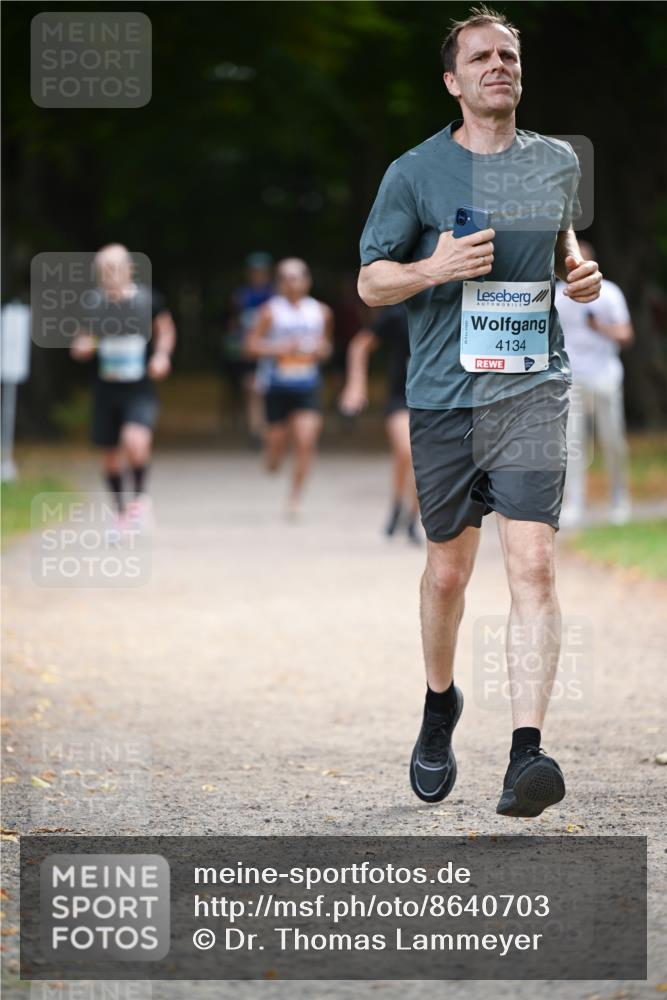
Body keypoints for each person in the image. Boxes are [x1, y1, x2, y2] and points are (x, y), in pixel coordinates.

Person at [357, 7, 602, 817]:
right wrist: (432, 268)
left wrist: (577, 268)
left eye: (509, 55)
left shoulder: (556, 161)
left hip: (531, 389)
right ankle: (438, 706)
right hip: (442, 398)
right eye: (481, 57)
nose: (498, 65)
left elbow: (562, 236)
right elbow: (369, 282)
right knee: (447, 572)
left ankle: (526, 754)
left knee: (531, 565)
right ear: (452, 81)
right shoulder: (414, 172)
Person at [70, 244, 176, 529]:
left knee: (135, 441)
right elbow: (84, 338)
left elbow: (165, 330)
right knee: (110, 455)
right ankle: (119, 512)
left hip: (138, 386)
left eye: (115, 269)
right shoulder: (92, 303)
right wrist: (82, 346)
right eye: (104, 270)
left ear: (129, 270)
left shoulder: (147, 300)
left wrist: (161, 356)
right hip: (106, 387)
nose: (110, 275)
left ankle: (140, 501)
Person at [244, 258, 333, 518]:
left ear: (307, 281)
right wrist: (279, 349)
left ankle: (295, 498)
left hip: (307, 385)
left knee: (306, 441)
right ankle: (272, 456)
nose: (291, 283)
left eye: (296, 277)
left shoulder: (321, 312)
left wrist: (320, 350)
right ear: (279, 282)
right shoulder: (270, 311)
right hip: (277, 386)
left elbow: (327, 347)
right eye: (285, 278)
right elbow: (250, 345)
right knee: (276, 446)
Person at [556, 241, 634, 526]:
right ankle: (575, 502)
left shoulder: (609, 294)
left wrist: (599, 327)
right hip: (572, 378)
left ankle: (619, 498)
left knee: (612, 439)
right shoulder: (556, 296)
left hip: (605, 376)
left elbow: (626, 334)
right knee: (573, 443)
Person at [339, 304, 421, 543]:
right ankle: (397, 503)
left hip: (438, 399)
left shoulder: (458, 305)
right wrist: (356, 385)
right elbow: (359, 345)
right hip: (401, 398)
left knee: (419, 460)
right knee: (407, 452)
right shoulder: (400, 312)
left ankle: (412, 518)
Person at [223, 252, 274, 446]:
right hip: (248, 351)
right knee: (251, 388)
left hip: (270, 349)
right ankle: (256, 430)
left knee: (265, 390)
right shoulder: (241, 295)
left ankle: (267, 428)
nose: (257, 275)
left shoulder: (275, 294)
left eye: (261, 271)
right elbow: (234, 323)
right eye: (254, 271)